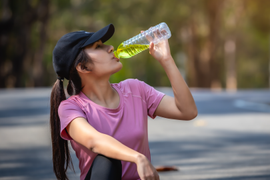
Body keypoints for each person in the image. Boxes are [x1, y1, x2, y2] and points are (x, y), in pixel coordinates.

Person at [50, 23, 198, 180]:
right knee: (106, 159)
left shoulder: (135, 89)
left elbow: (187, 111)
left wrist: (166, 60)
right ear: (83, 67)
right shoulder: (71, 107)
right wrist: (137, 157)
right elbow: (94, 141)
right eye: (98, 47)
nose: (111, 47)